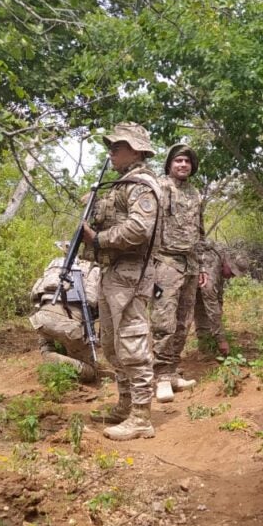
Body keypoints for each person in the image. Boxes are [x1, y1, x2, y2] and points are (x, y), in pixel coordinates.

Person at [81, 122, 163, 441]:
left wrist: (99, 239)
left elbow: (138, 230)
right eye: (111, 147)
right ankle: (126, 404)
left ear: (137, 150)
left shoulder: (141, 185)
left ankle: (141, 416)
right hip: (112, 272)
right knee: (112, 343)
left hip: (131, 273)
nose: (111, 153)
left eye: (118, 147)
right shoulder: (121, 184)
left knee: (132, 342)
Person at [152, 144, 207, 403]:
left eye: (187, 161)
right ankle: (160, 376)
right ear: (169, 165)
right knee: (164, 321)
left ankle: (173, 371)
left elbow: (200, 231)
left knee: (184, 321)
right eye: (178, 161)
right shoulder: (160, 187)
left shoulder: (196, 194)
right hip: (165, 261)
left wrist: (203, 265)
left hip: (191, 263)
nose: (183, 165)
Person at [28, 242, 101, 382]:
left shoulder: (54, 265)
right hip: (69, 327)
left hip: (41, 320)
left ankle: (48, 352)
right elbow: (93, 302)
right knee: (91, 372)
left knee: (47, 326)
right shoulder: (93, 269)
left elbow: (35, 296)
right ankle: (51, 358)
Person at [195, 241, 248, 357]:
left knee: (203, 310)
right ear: (228, 264)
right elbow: (211, 303)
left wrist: (219, 311)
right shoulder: (212, 264)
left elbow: (218, 297)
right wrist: (221, 340)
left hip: (196, 287)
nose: (231, 277)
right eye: (233, 273)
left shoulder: (221, 262)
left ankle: (205, 349)